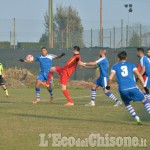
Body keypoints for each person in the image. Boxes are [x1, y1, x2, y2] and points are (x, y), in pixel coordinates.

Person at [106, 51, 150, 125]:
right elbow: (139, 75)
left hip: (122, 89)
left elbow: (110, 78)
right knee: (144, 101)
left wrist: (108, 86)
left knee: (127, 103)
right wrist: (144, 86)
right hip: (133, 87)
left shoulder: (115, 66)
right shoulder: (131, 65)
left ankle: (137, 118)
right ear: (126, 57)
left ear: (118, 58)